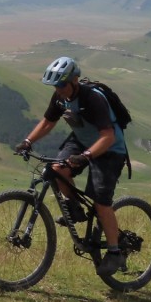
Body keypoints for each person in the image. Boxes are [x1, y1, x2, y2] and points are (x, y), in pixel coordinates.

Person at [15, 56, 129, 277]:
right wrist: (28, 142)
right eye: (55, 86)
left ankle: (115, 251)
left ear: (74, 81)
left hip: (109, 149)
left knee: (101, 201)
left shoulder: (92, 99)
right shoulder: (60, 98)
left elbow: (107, 136)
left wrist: (86, 156)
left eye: (61, 85)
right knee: (57, 169)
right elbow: (48, 122)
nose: (58, 90)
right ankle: (75, 209)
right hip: (82, 140)